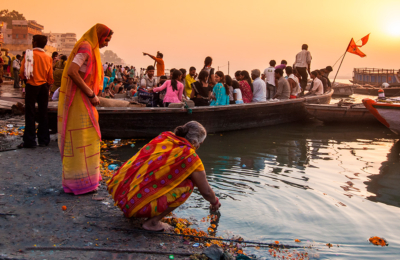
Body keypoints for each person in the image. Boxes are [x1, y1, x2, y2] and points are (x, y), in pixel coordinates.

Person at [107, 121, 221, 231]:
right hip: (137, 208)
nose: (198, 146)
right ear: (195, 142)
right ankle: (152, 222)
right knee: (190, 184)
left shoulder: (165, 137)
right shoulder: (190, 157)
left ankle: (134, 206)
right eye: (200, 144)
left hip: (120, 195)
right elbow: (205, 191)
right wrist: (214, 201)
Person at [58, 24, 113, 195]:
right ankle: (78, 183)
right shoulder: (86, 47)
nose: (107, 44)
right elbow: (73, 72)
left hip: (83, 99)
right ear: (99, 36)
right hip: (79, 100)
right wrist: (90, 93)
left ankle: (86, 179)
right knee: (80, 138)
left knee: (87, 138)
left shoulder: (89, 47)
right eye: (106, 40)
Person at [18, 36, 53, 149]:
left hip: (31, 85)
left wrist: (25, 80)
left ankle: (30, 141)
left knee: (30, 113)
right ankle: (43, 139)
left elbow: (22, 72)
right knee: (43, 113)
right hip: (43, 86)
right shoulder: (48, 57)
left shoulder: (28, 55)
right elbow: (50, 77)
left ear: (35, 42)